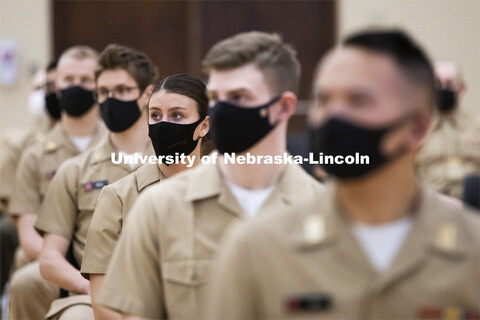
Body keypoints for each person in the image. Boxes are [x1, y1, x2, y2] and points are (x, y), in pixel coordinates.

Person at [203, 29, 480, 319]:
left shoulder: (472, 249)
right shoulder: (257, 248)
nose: (333, 117)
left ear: (417, 129)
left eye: (359, 101)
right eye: (324, 99)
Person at [97, 31, 323, 319]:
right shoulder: (159, 206)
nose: (223, 110)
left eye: (238, 96)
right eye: (215, 97)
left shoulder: (325, 210)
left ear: (283, 107)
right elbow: (127, 312)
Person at [34, 44, 157, 320]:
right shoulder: (74, 170)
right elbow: (50, 259)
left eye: (123, 91)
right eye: (103, 92)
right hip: (92, 297)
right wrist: (95, 290)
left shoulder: (174, 164)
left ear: (147, 95)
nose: (112, 99)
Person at [80, 73, 210, 319]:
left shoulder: (229, 192)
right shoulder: (117, 196)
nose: (163, 124)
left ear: (203, 125)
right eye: (156, 115)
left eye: (177, 115)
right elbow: (102, 305)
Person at [7, 46, 106, 320]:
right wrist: (70, 267)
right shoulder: (34, 157)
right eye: (69, 80)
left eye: (86, 80)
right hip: (54, 262)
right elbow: (28, 239)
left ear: (99, 85)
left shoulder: (118, 147)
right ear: (57, 85)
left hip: (110, 261)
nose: (77, 86)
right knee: (24, 282)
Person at [417, 61, 480, 200]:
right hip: (431, 204)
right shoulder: (416, 129)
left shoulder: (477, 126)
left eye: (449, 83)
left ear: (462, 87)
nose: (443, 88)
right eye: (437, 83)